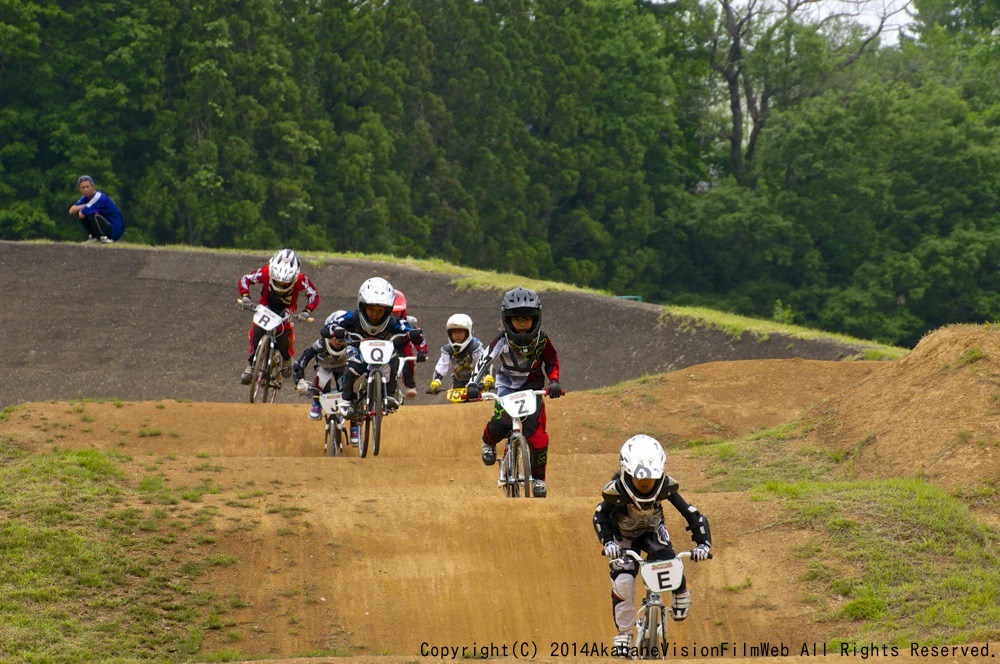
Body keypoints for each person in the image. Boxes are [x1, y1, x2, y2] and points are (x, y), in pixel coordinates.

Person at [593, 434, 712, 656]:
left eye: (652, 478)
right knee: (624, 582)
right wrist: (608, 541)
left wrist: (703, 544)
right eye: (640, 480)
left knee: (669, 560)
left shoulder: (666, 486)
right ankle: (625, 634)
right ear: (627, 472)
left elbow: (691, 513)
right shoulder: (615, 491)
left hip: (652, 531)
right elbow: (600, 516)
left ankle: (681, 592)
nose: (646, 484)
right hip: (623, 538)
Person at [465, 287, 563, 498]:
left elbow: (552, 361)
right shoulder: (501, 340)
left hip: (533, 388)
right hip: (506, 386)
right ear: (507, 320)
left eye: (527, 319)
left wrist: (554, 381)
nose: (521, 324)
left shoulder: (543, 341)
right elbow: (485, 360)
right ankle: (488, 442)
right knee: (501, 422)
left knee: (537, 437)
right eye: (517, 319)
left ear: (535, 319)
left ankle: (538, 480)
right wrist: (473, 383)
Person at [320, 277, 423, 445]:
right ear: (362, 306)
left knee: (394, 359)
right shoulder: (352, 316)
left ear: (388, 310)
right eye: (371, 309)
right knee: (353, 366)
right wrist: (336, 330)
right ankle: (346, 399)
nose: (375, 314)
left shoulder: (392, 321)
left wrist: (414, 333)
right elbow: (330, 326)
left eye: (380, 310)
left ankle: (389, 395)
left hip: (382, 350)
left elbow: (407, 327)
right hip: (358, 348)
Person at [237, 249, 320, 385]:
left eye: (285, 283)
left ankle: (287, 359)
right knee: (257, 331)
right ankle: (251, 365)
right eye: (277, 281)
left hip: (287, 308)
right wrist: (245, 295)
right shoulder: (266, 272)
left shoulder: (300, 279)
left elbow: (314, 294)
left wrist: (307, 311)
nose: (281, 284)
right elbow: (245, 279)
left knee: (284, 332)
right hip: (266, 305)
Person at [292, 310, 349, 420]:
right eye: (335, 337)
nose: (338, 341)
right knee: (319, 383)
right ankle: (317, 404)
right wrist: (299, 380)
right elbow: (304, 359)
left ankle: (354, 427)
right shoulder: (320, 344)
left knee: (350, 388)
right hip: (325, 367)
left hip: (344, 369)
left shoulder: (353, 345)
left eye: (342, 338)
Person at [428, 313, 486, 394]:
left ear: (468, 332)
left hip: (476, 382)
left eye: (460, 331)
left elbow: (485, 363)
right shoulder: (447, 350)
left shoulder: (475, 348)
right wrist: (436, 381)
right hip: (458, 382)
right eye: (454, 332)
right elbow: (442, 365)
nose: (457, 335)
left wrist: (488, 378)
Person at [392, 290, 428, 399]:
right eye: (391, 313)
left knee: (407, 360)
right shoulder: (378, 322)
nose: (394, 316)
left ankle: (410, 385)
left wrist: (422, 351)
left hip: (401, 347)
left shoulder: (409, 322)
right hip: (381, 347)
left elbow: (419, 337)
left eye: (397, 313)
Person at [68, 175, 124, 243]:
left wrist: (86, 207)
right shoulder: (86, 198)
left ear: (93, 187)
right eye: (83, 187)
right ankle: (94, 236)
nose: (85, 189)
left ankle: (104, 238)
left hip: (114, 229)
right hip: (106, 224)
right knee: (86, 212)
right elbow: (71, 210)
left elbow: (81, 215)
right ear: (80, 189)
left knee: (92, 214)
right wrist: (86, 205)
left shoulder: (98, 197)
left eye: (87, 187)